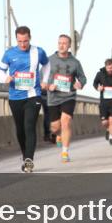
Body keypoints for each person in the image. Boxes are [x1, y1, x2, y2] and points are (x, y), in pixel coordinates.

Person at [0, 25, 49, 173]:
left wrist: (45, 79)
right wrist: (5, 77)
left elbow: (47, 64)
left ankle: (29, 160)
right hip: (15, 96)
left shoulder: (38, 52)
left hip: (33, 95)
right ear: (16, 39)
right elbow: (0, 69)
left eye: (25, 41)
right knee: (20, 129)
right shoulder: (9, 54)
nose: (23, 44)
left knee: (29, 126)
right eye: (20, 41)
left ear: (30, 38)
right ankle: (25, 154)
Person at [40, 34, 87, 163]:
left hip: (69, 96)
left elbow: (82, 78)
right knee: (55, 127)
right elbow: (40, 78)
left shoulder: (75, 63)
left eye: (64, 43)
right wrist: (47, 85)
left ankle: (65, 152)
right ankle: (58, 135)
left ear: (69, 46)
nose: (61, 45)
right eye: (59, 43)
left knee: (65, 121)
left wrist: (80, 84)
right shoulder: (49, 60)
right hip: (53, 96)